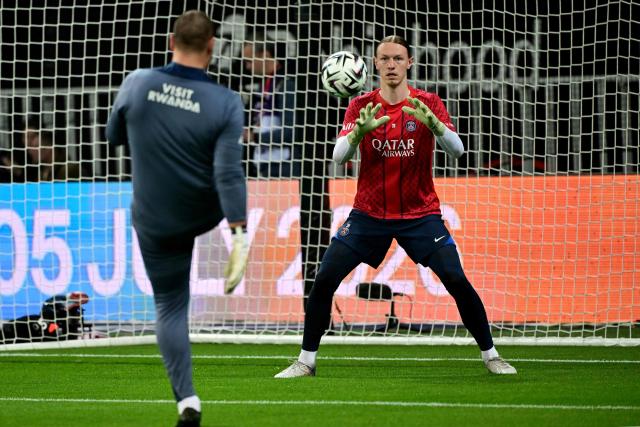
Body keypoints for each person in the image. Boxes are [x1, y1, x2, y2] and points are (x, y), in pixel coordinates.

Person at [275, 35, 517, 378]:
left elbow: (459, 150)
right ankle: (306, 361)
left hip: (420, 215)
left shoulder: (428, 102)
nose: (391, 65)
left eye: (397, 59)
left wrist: (434, 124)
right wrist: (358, 133)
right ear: (374, 64)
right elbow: (338, 157)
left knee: (455, 278)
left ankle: (491, 355)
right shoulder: (361, 106)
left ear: (410, 62)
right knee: (325, 277)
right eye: (385, 59)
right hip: (368, 214)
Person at [106, 10, 249, 427]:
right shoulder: (225, 102)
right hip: (200, 211)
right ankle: (239, 237)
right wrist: (238, 229)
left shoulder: (138, 82)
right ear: (211, 47)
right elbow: (227, 173)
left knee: (169, 306)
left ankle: (187, 400)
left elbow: (113, 137)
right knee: (216, 175)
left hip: (153, 217)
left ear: (172, 41)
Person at [242, 34, 301, 178]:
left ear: (265, 55)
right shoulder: (266, 85)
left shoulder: (286, 84)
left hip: (285, 169)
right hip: (267, 166)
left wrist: (254, 137)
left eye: (250, 61)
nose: (247, 67)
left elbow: (291, 132)